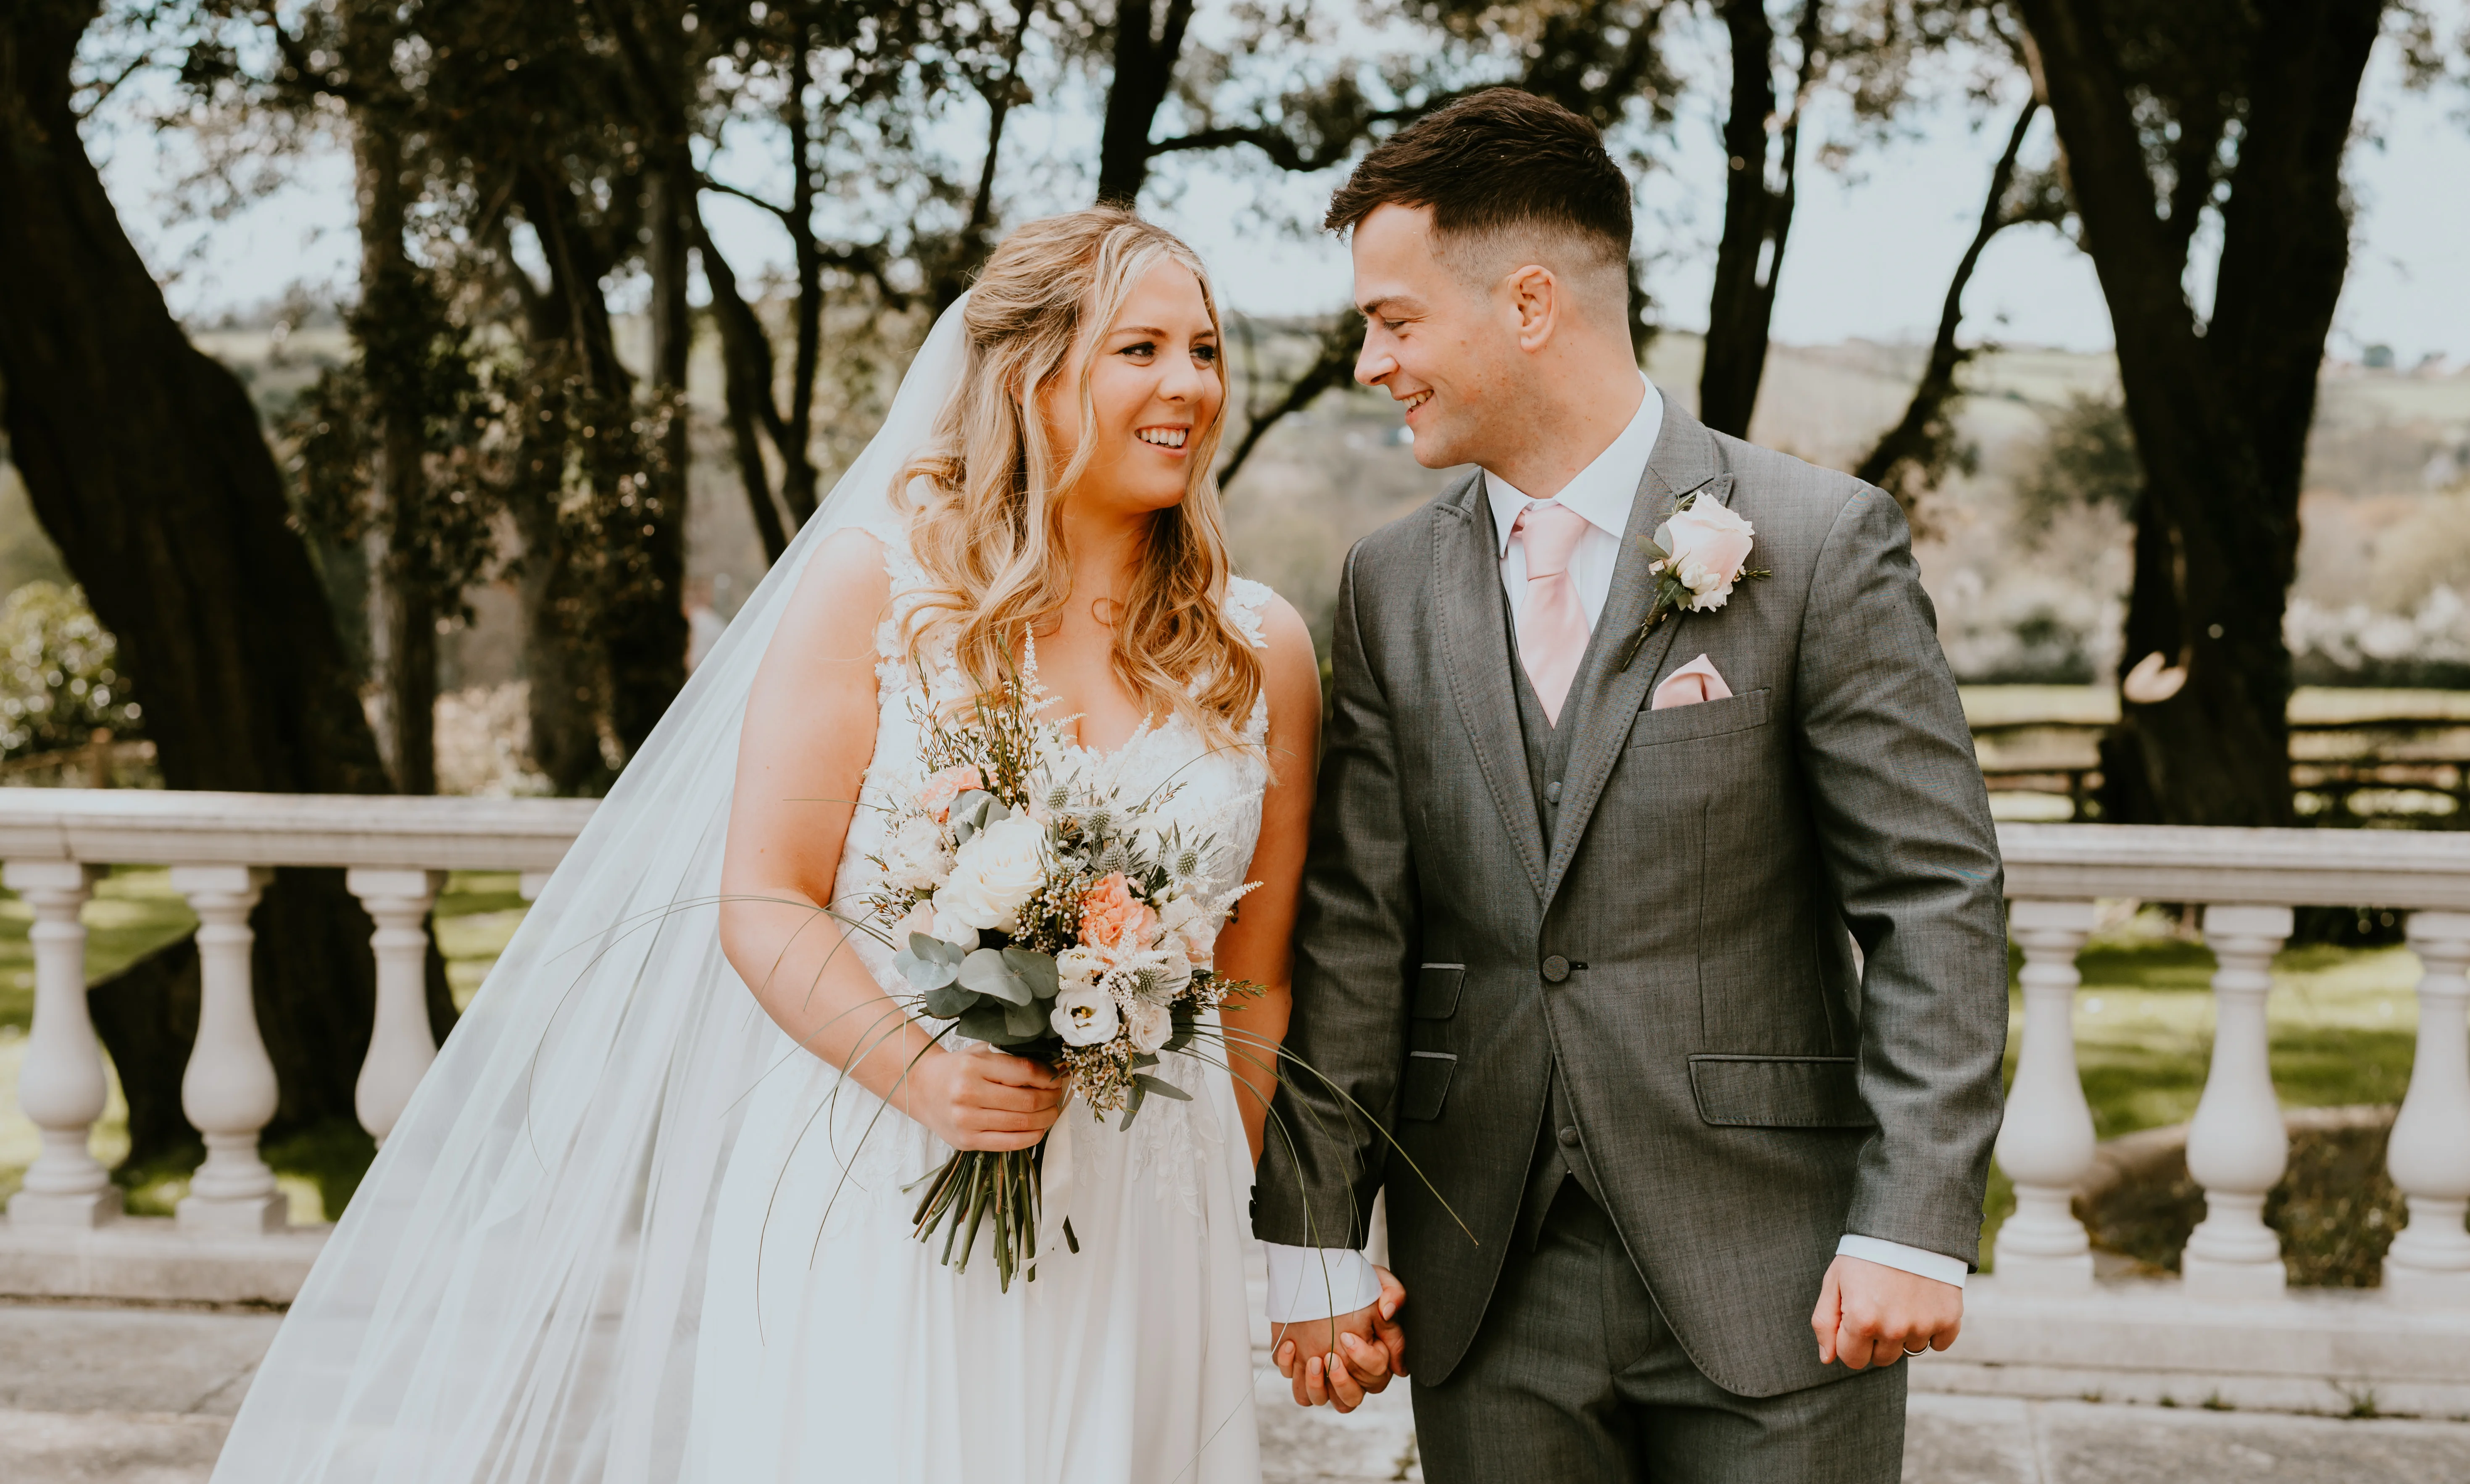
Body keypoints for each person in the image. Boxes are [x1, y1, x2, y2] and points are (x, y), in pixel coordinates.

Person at [206, 207, 1320, 1484]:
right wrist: (922, 1073)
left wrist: (1221, 1217)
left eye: (1206, 347)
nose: (1190, 384)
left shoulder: (1254, 649)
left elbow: (1253, 978)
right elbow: (767, 898)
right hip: (891, 1173)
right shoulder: (883, 591)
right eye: (1142, 349)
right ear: (1032, 374)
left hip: (1142, 1214)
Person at [1253, 88, 2011, 1484]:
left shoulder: (1811, 542)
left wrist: (1910, 1221)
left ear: (1529, 302)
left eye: (1396, 319)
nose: (1372, 362)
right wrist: (1312, 1242)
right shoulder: (1386, 583)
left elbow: (1934, 899)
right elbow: (1357, 932)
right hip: (1485, 1285)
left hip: (1779, 1272)